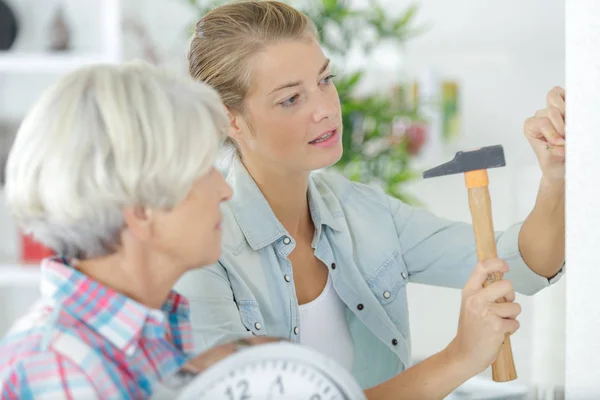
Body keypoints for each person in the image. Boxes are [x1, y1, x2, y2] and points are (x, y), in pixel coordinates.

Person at [175, 1, 566, 398]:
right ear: (230, 120)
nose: (326, 109)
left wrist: (556, 176)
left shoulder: (363, 212)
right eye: (291, 99)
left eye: (325, 80)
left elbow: (526, 264)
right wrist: (459, 357)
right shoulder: (200, 255)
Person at [0, 61, 277, 399]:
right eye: (204, 171)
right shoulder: (58, 369)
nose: (225, 190)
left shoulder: (148, 336)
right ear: (142, 210)